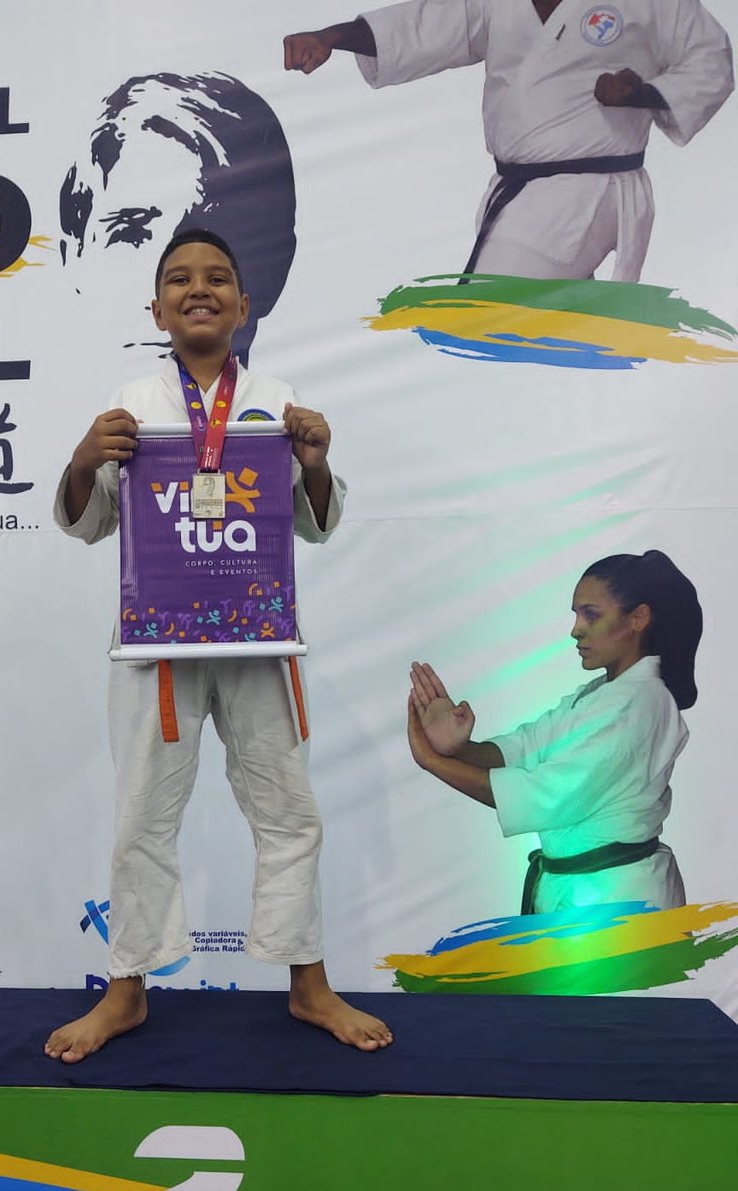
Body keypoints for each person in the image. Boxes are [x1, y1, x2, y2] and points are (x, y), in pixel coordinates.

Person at [46, 229, 393, 1062]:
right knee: (140, 817)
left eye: (217, 279)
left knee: (288, 809)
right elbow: (87, 522)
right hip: (158, 647)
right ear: (157, 307)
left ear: (243, 303)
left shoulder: (276, 399)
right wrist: (84, 455)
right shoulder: (129, 402)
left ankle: (308, 984)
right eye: (178, 280)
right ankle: (127, 987)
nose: (197, 289)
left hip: (255, 639)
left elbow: (314, 523)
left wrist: (312, 460)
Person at [284, 1, 733, 280]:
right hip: (520, 191)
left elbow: (711, 60)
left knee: (493, 315)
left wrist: (643, 95)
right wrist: (333, 37)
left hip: (587, 192)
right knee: (549, 331)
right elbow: (428, 23)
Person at [407, 551, 701, 915]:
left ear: (638, 618)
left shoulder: (642, 703)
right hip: (582, 895)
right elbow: (527, 745)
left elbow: (549, 794)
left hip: (619, 902)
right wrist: (458, 746)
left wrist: (433, 761)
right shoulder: (597, 694)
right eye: (577, 614)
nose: (576, 628)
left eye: (591, 614)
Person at [59, 71, 297, 366]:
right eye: (132, 232)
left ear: (275, 268)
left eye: (207, 239)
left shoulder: (285, 405)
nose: (184, 287)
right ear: (72, 253)